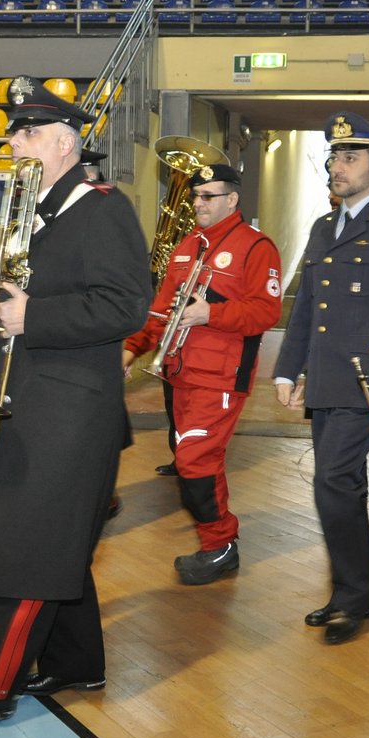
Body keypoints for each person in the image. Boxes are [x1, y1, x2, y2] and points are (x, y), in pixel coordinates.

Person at [0, 76, 150, 725]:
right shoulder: (31, 214)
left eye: (23, 133)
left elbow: (125, 305)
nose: (11, 143)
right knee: (57, 544)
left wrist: (39, 316)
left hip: (72, 413)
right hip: (23, 400)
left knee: (28, 550)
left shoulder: (103, 209)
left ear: (61, 142)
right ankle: (78, 662)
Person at [272, 112, 369, 645]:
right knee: (343, 487)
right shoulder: (323, 227)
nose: (337, 167)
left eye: (350, 158)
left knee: (332, 484)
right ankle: (347, 595)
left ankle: (355, 600)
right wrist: (288, 368)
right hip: (326, 380)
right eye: (334, 157)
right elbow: (305, 310)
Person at [122, 162, 281, 585]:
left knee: (195, 461)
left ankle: (220, 545)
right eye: (196, 197)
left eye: (208, 196)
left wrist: (211, 312)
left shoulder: (255, 246)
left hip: (222, 375)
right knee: (196, 460)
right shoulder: (189, 244)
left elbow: (267, 311)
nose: (198, 204)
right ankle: (217, 543)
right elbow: (161, 309)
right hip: (180, 370)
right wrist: (133, 346)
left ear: (232, 199)